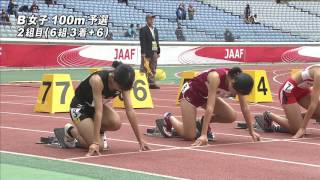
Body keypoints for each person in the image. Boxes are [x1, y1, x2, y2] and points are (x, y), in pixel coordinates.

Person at [64, 61, 150, 156]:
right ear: (112, 79)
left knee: (116, 122)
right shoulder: (97, 80)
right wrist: (95, 143)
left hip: (95, 106)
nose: (122, 91)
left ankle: (94, 131)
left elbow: (130, 110)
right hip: (79, 108)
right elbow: (98, 112)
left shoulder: (124, 82)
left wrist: (140, 140)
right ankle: (70, 131)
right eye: (120, 88)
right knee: (100, 146)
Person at [158, 67, 261, 146]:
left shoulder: (239, 81)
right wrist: (203, 135)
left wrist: (251, 131)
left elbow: (245, 108)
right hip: (191, 94)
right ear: (232, 82)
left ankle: (202, 123)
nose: (235, 95)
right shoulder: (215, 77)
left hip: (205, 96)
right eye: (236, 92)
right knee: (190, 136)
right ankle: (169, 118)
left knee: (231, 116)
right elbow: (210, 108)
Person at [256, 64, 320, 138]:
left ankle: (293, 118)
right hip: (288, 91)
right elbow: (313, 104)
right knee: (297, 129)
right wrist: (302, 128)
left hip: (303, 91)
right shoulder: (318, 74)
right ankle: (268, 115)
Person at [139, 14, 160, 89]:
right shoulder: (143, 29)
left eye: (152, 19)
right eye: (150, 19)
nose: (152, 20)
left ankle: (151, 83)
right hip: (146, 52)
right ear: (146, 20)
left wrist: (157, 52)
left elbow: (156, 41)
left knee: (153, 68)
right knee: (144, 68)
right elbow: (142, 42)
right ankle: (142, 83)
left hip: (154, 51)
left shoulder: (155, 30)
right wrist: (143, 53)